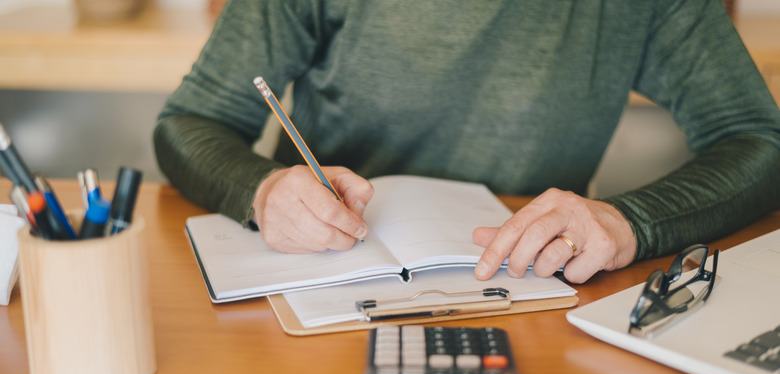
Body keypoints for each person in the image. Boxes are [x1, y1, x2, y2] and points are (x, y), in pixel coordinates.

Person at [154, 0, 780, 284]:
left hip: (533, 288)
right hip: (322, 280)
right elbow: (188, 123)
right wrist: (261, 191)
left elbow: (759, 139)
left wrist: (630, 220)